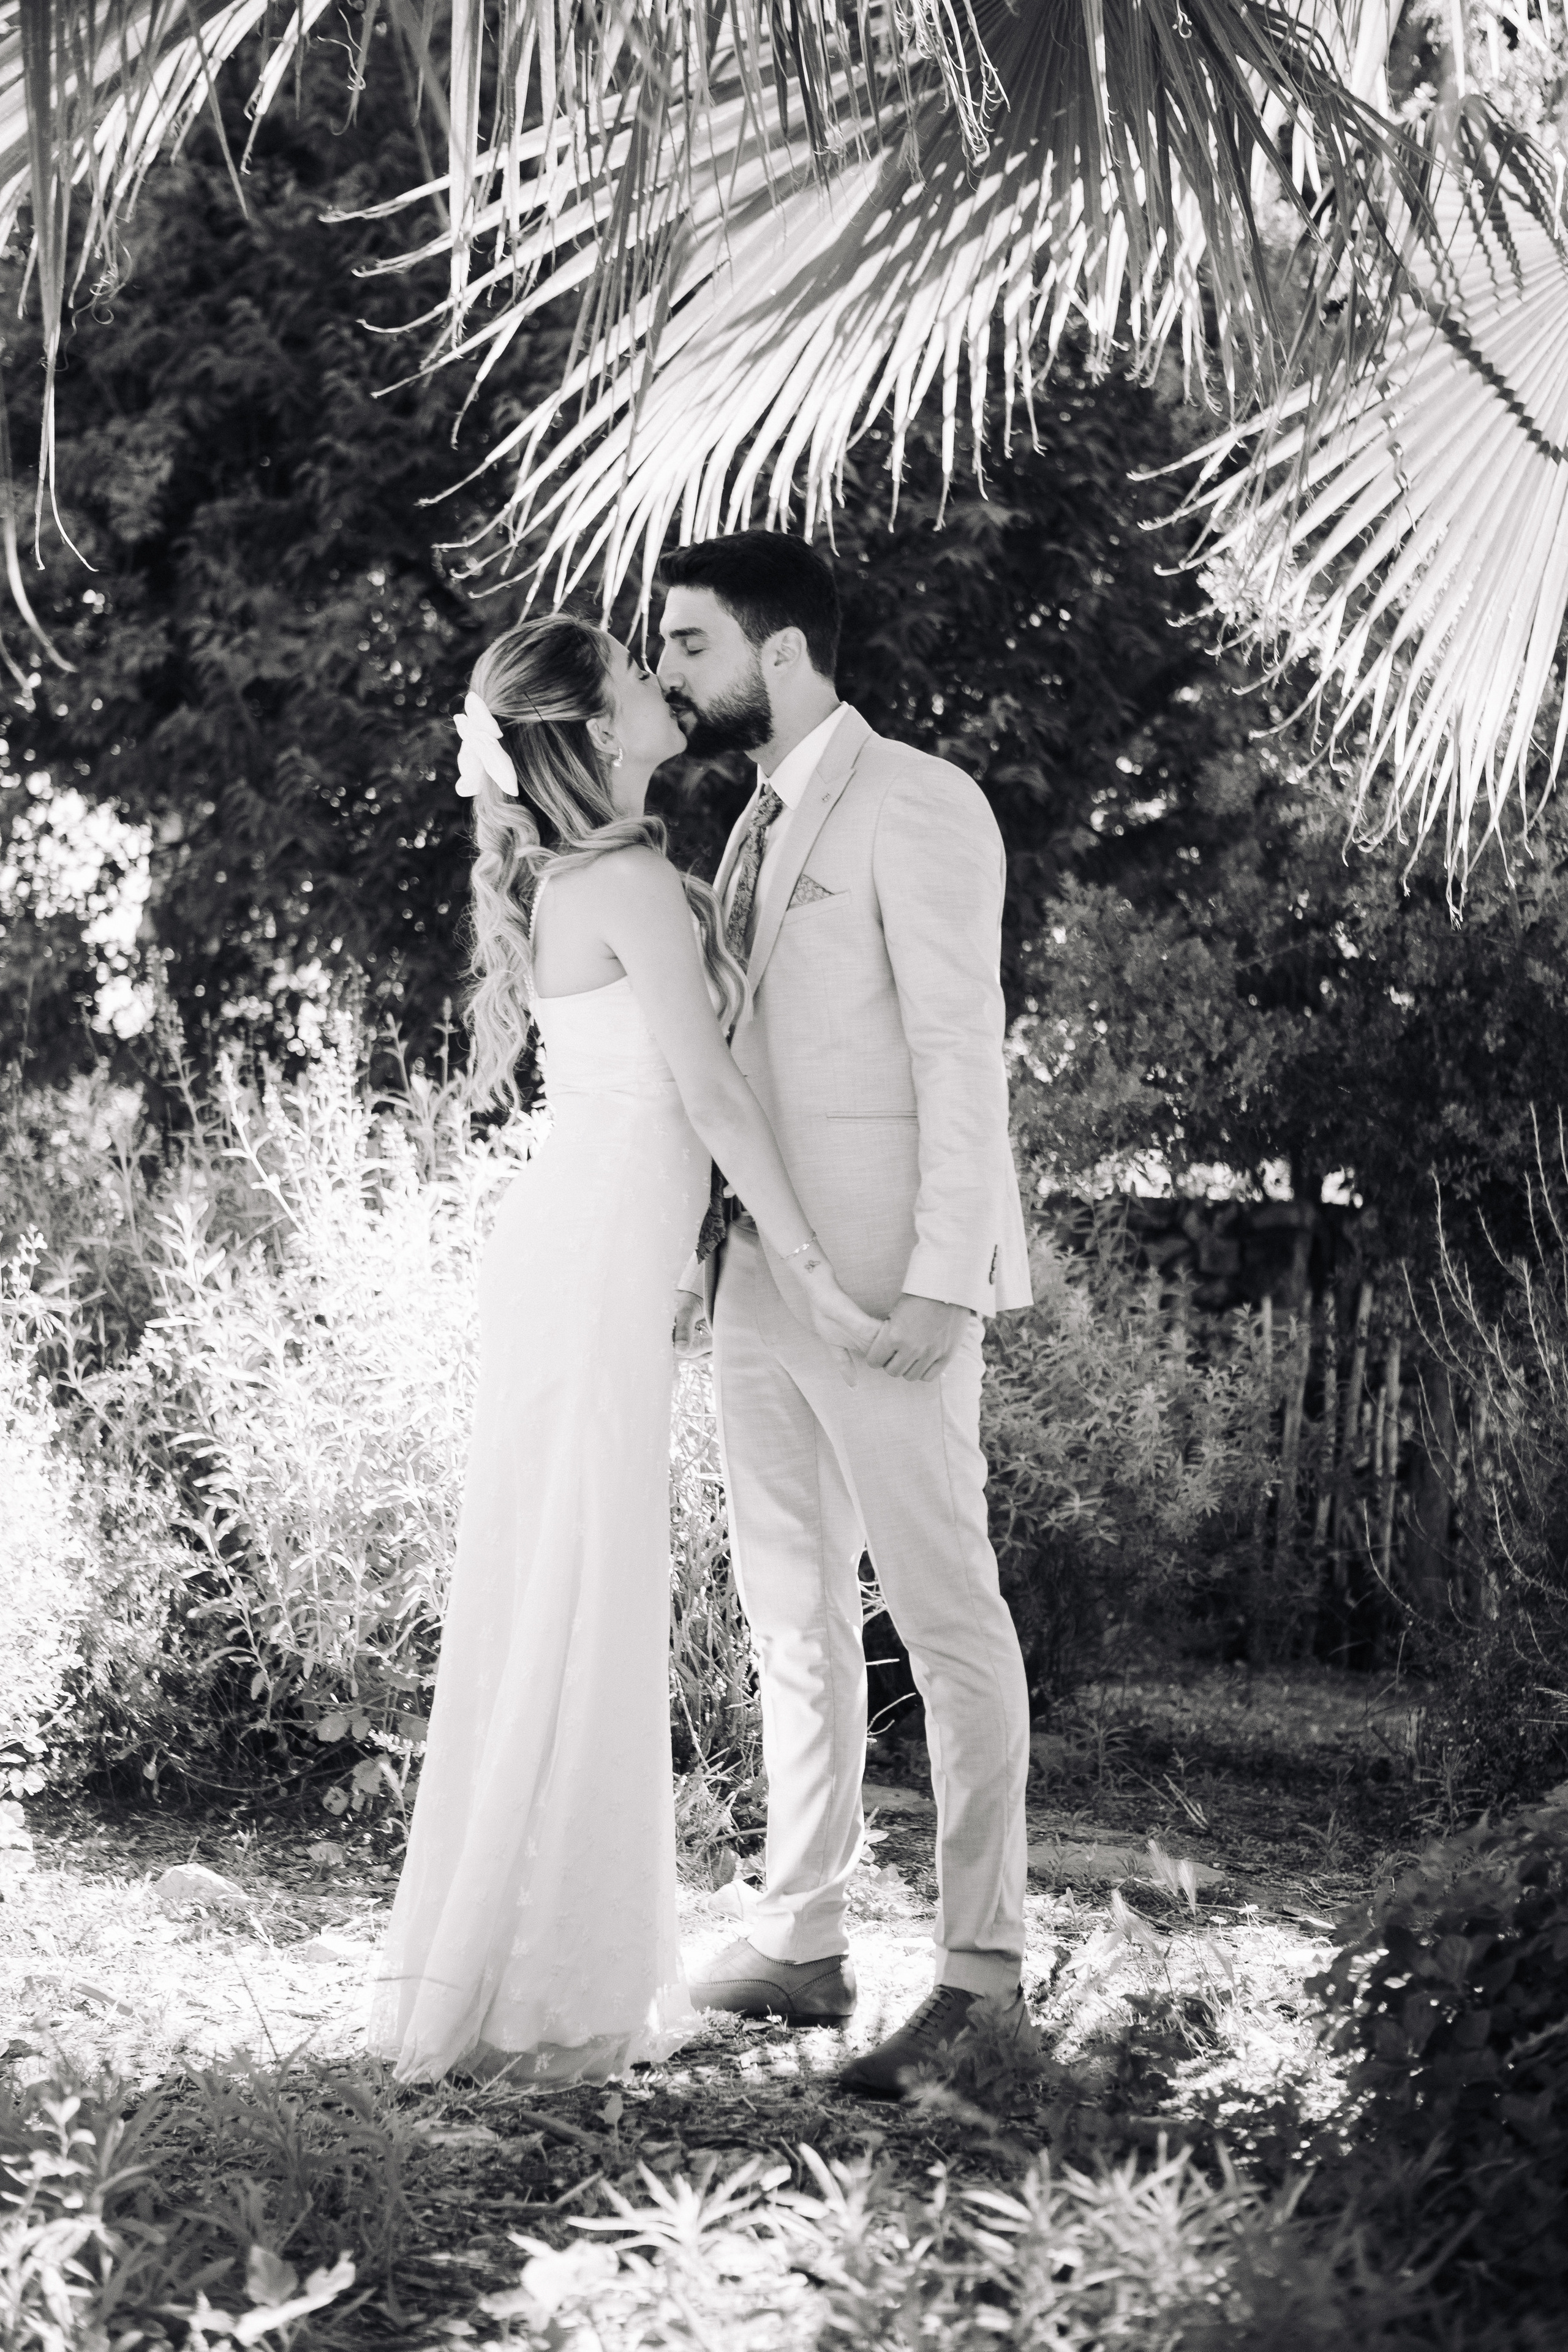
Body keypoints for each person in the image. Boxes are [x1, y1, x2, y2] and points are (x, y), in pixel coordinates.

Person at [369, 612, 876, 2085]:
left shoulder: (603, 874)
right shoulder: (627, 881)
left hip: (586, 1259)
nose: (660, 684)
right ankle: (533, 1991)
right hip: (585, 1266)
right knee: (575, 1596)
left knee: (569, 1591)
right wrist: (810, 1264)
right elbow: (710, 1102)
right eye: (633, 675)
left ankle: (526, 1970)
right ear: (596, 730)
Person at [659, 531, 1037, 2098]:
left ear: (781, 651)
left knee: (944, 1615)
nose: (667, 672)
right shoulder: (746, 820)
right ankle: (801, 1935)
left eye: (687, 643)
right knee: (788, 1619)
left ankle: (981, 1974)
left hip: (887, 1286)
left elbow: (959, 1047)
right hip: (759, 1276)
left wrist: (945, 1276)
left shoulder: (917, 801)